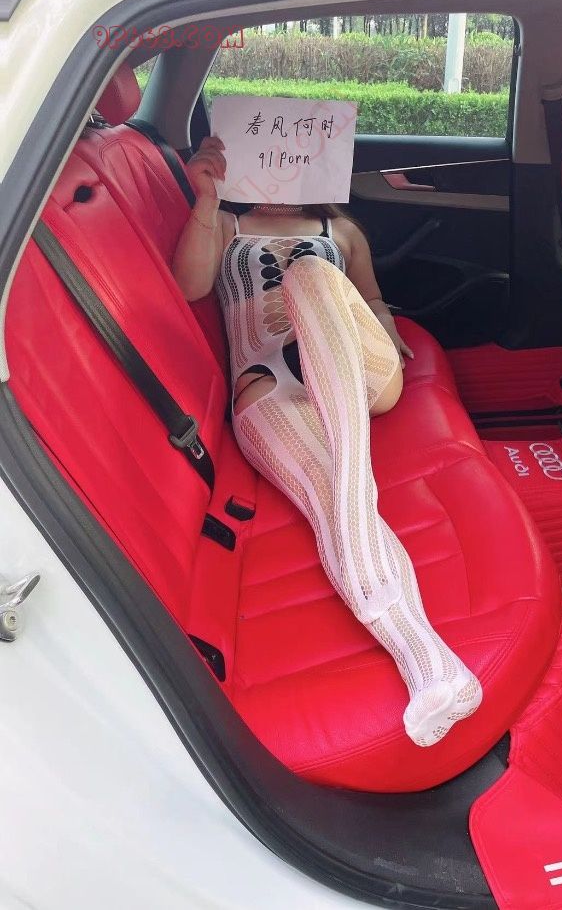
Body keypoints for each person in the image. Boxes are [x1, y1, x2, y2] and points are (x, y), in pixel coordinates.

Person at [172, 135, 482, 747]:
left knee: (311, 274)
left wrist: (386, 333)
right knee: (327, 496)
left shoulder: (341, 232)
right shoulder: (227, 223)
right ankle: (435, 668)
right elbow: (188, 286)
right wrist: (206, 199)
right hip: (273, 382)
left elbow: (371, 299)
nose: (282, 167)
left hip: (357, 370)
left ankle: (350, 476)